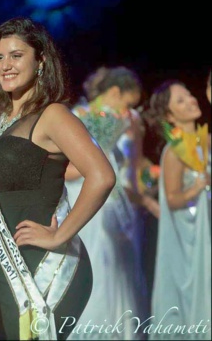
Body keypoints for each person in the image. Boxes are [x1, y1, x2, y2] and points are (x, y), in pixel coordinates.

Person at [0, 17, 115, 340]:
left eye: (16, 56)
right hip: (9, 270)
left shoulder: (52, 115)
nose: (5, 65)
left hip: (51, 266)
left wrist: (59, 236)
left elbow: (102, 176)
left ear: (40, 61)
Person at [64, 66, 149, 340]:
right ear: (114, 92)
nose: (129, 109)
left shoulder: (130, 120)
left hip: (117, 202)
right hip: (81, 194)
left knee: (119, 267)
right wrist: (95, 153)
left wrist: (135, 143)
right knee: (92, 262)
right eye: (126, 103)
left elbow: (134, 167)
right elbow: (66, 169)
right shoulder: (76, 116)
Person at [145, 80, 210, 340]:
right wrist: (196, 189)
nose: (192, 101)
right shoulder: (174, 152)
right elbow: (171, 199)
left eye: (190, 95)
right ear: (170, 116)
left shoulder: (206, 142)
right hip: (191, 237)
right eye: (181, 100)